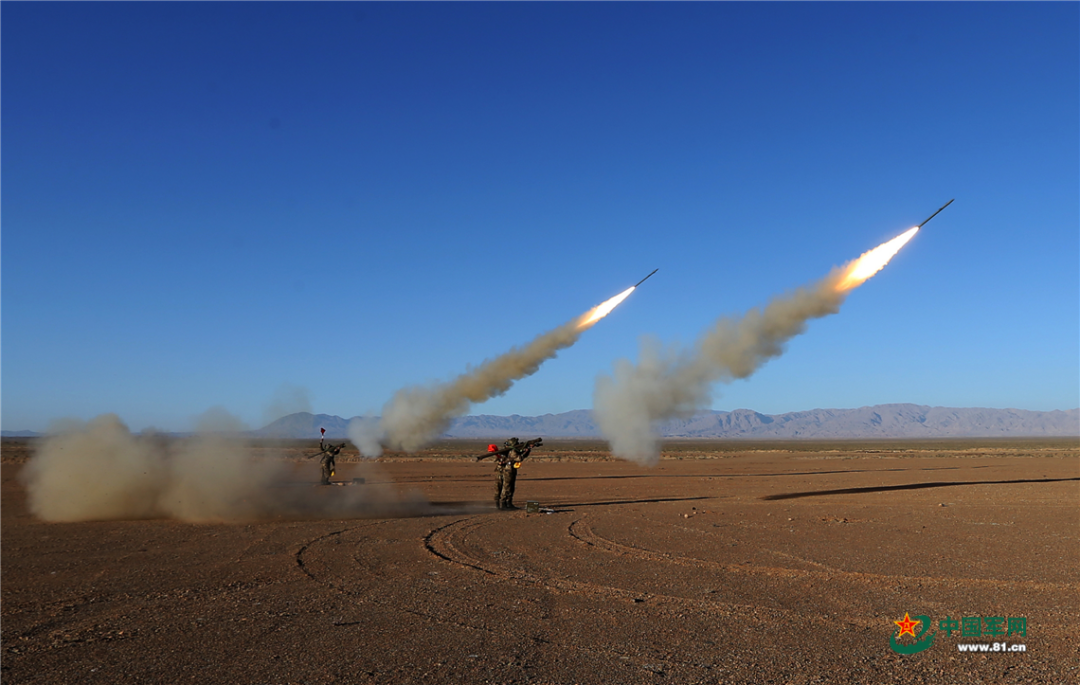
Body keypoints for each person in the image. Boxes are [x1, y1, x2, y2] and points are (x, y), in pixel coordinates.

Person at [493, 437, 532, 510]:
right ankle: (505, 503)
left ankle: (499, 504)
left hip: (502, 470)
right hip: (508, 471)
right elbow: (519, 458)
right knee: (507, 487)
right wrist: (526, 451)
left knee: (499, 487)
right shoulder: (512, 451)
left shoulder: (504, 451)